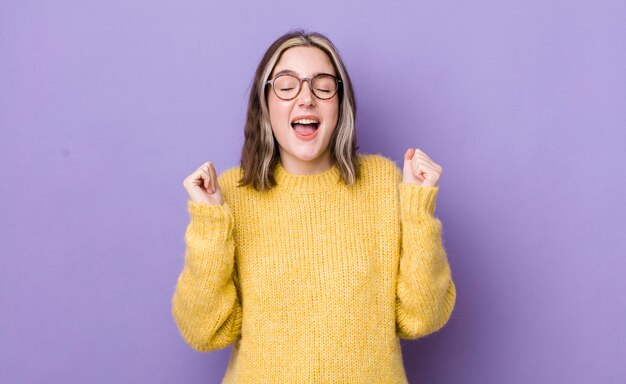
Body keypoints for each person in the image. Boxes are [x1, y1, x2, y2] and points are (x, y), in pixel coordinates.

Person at [171, 30, 456, 383]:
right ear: (265, 102)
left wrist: (417, 209)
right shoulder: (230, 192)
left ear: (340, 103)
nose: (306, 99)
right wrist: (211, 223)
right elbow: (204, 331)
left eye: (322, 86)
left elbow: (421, 316)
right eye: (287, 85)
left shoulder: (385, 183)